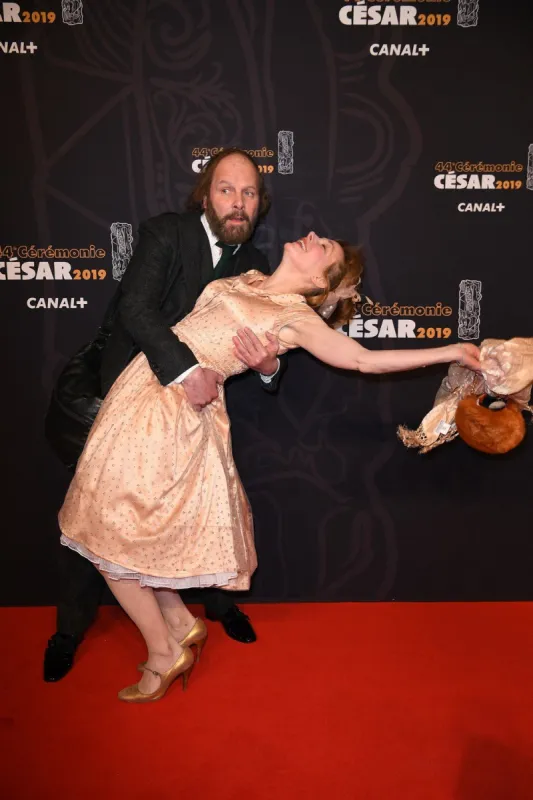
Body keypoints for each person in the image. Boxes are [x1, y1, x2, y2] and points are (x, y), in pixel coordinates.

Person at [58, 228, 480, 703]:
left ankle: (162, 655)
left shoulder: (296, 320)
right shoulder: (250, 276)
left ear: (321, 280)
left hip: (170, 420)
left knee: (108, 534)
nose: (314, 236)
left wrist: (452, 351)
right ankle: (179, 625)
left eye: (325, 248)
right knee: (131, 530)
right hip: (145, 391)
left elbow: (363, 360)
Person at [44, 148, 284, 683]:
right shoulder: (165, 233)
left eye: (248, 194)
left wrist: (267, 367)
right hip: (125, 399)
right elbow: (135, 309)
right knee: (100, 518)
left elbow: (264, 351)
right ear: (206, 193)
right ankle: (69, 631)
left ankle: (211, 612)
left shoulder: (257, 267)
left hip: (194, 417)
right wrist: (184, 372)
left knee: (197, 517)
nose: (238, 203)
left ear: (258, 205)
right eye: (227, 189)